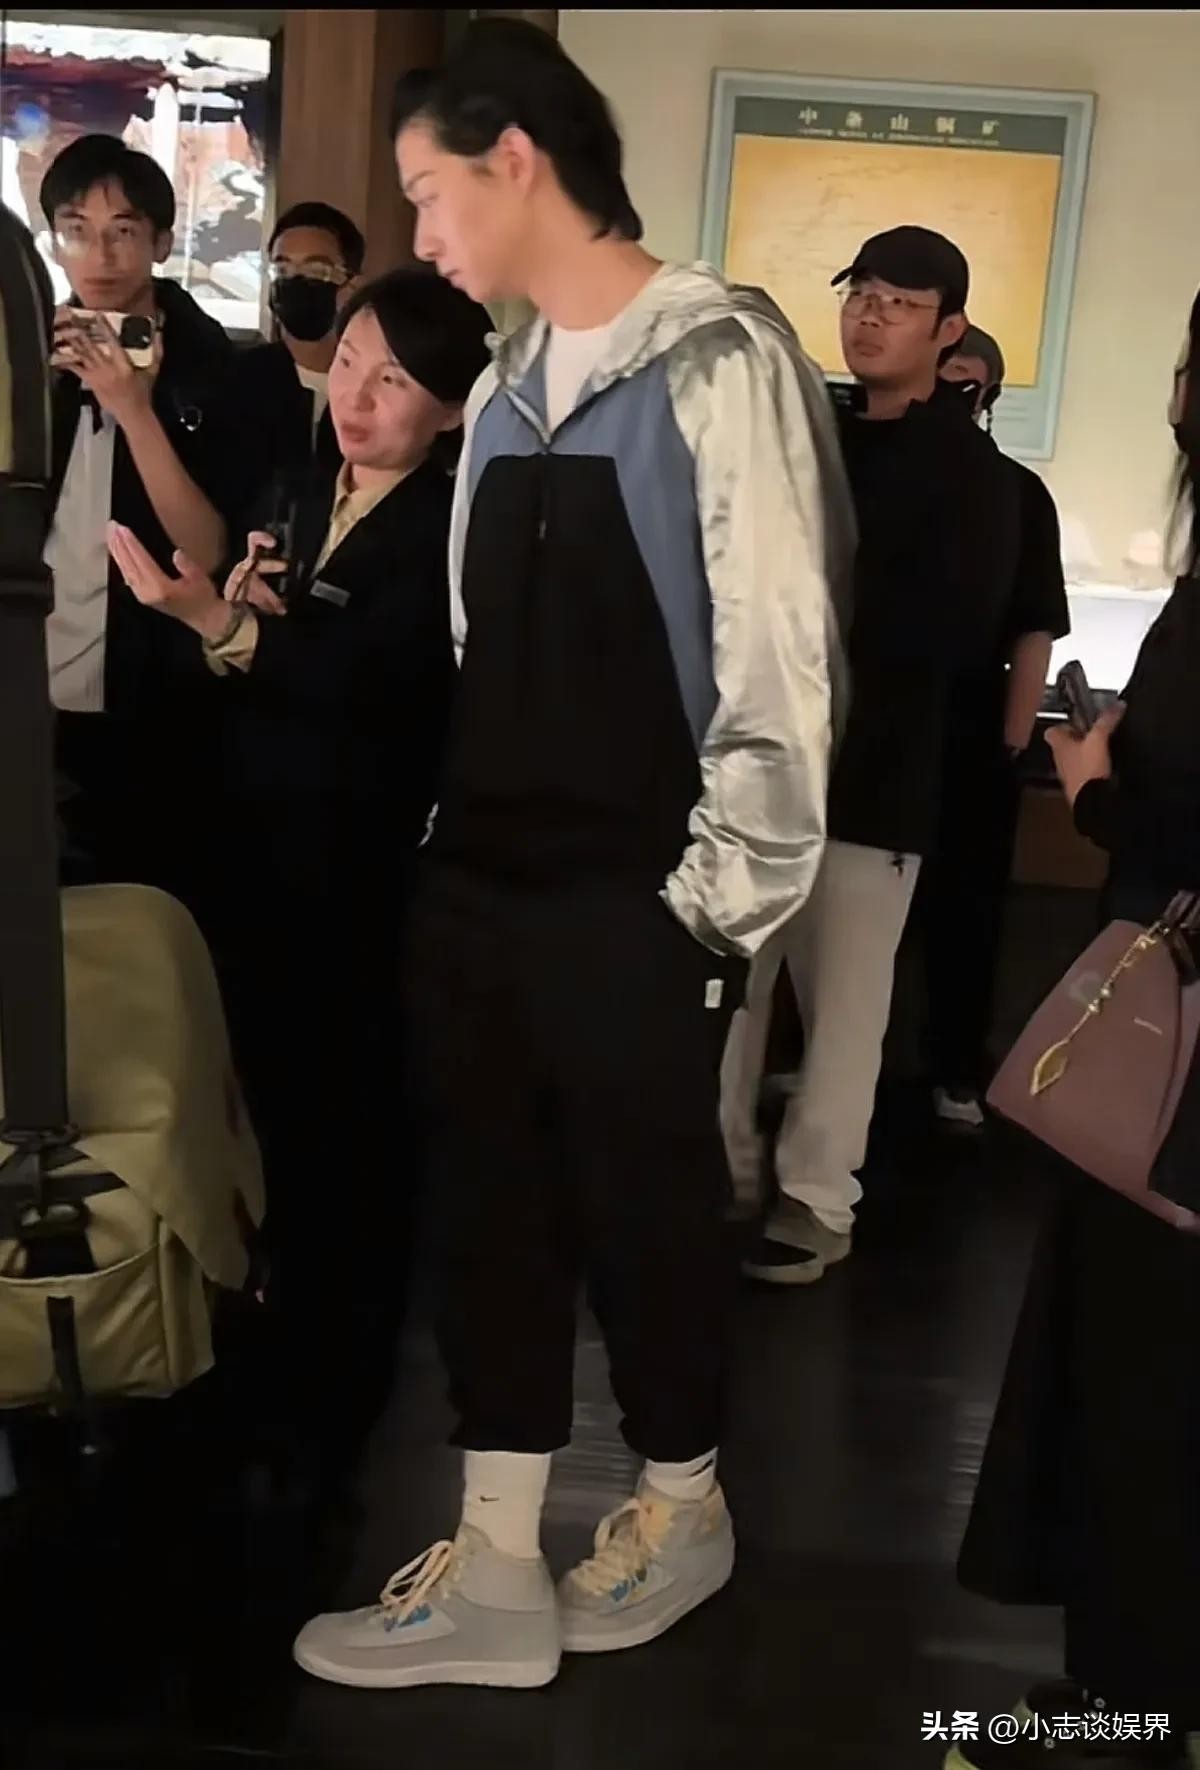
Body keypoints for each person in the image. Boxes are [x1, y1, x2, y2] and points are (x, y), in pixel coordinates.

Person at [292, 16, 853, 1691]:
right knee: (492, 1221)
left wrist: (701, 920)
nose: (420, 231)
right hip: (480, 877)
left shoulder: (720, 361)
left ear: (518, 162)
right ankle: (494, 1563)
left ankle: (683, 1507)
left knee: (645, 1217)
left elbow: (782, 674)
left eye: (429, 192)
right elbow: (482, 651)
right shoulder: (510, 386)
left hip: (637, 898)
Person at [105, 267, 492, 1492]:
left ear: (451, 410)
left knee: (349, 1107)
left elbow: (385, 689)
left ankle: (344, 1369)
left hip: (364, 864)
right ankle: (278, 1310)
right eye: (354, 367)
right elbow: (281, 654)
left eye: (398, 382)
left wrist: (224, 628)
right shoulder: (307, 482)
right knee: (267, 1082)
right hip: (261, 839)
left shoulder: (449, 528)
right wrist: (243, 614)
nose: (361, 401)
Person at [946, 294, 1200, 1770]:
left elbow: (1178, 814)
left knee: (1143, 1379)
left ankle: (1132, 1716)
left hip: (1176, 1063)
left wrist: (1097, 788)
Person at [723, 228, 1020, 1286]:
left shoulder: (974, 474)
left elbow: (955, 629)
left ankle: (817, 1199)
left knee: (847, 1006)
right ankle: (714, 1176)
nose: (871, 316)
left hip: (878, 778)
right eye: (861, 295)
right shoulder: (810, 438)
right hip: (759, 771)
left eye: (901, 303)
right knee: (732, 993)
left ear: (949, 331)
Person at [40, 133, 294, 918]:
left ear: (160, 240)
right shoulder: (29, 356)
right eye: (76, 229)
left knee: (148, 922)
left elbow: (210, 553)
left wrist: (134, 410)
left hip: (158, 711)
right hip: (32, 696)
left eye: (123, 230)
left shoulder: (229, 372)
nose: (100, 255)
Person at [924, 327, 1070, 1130]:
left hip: (975, 730)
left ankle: (954, 1066)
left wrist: (1013, 742)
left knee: (969, 913)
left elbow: (1035, 626)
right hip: (880, 730)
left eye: (966, 381)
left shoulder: (1018, 493)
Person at [253, 200, 365, 459]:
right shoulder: (236, 381)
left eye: (316, 271)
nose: (295, 280)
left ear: (352, 287)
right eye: (282, 269)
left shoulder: (371, 393)